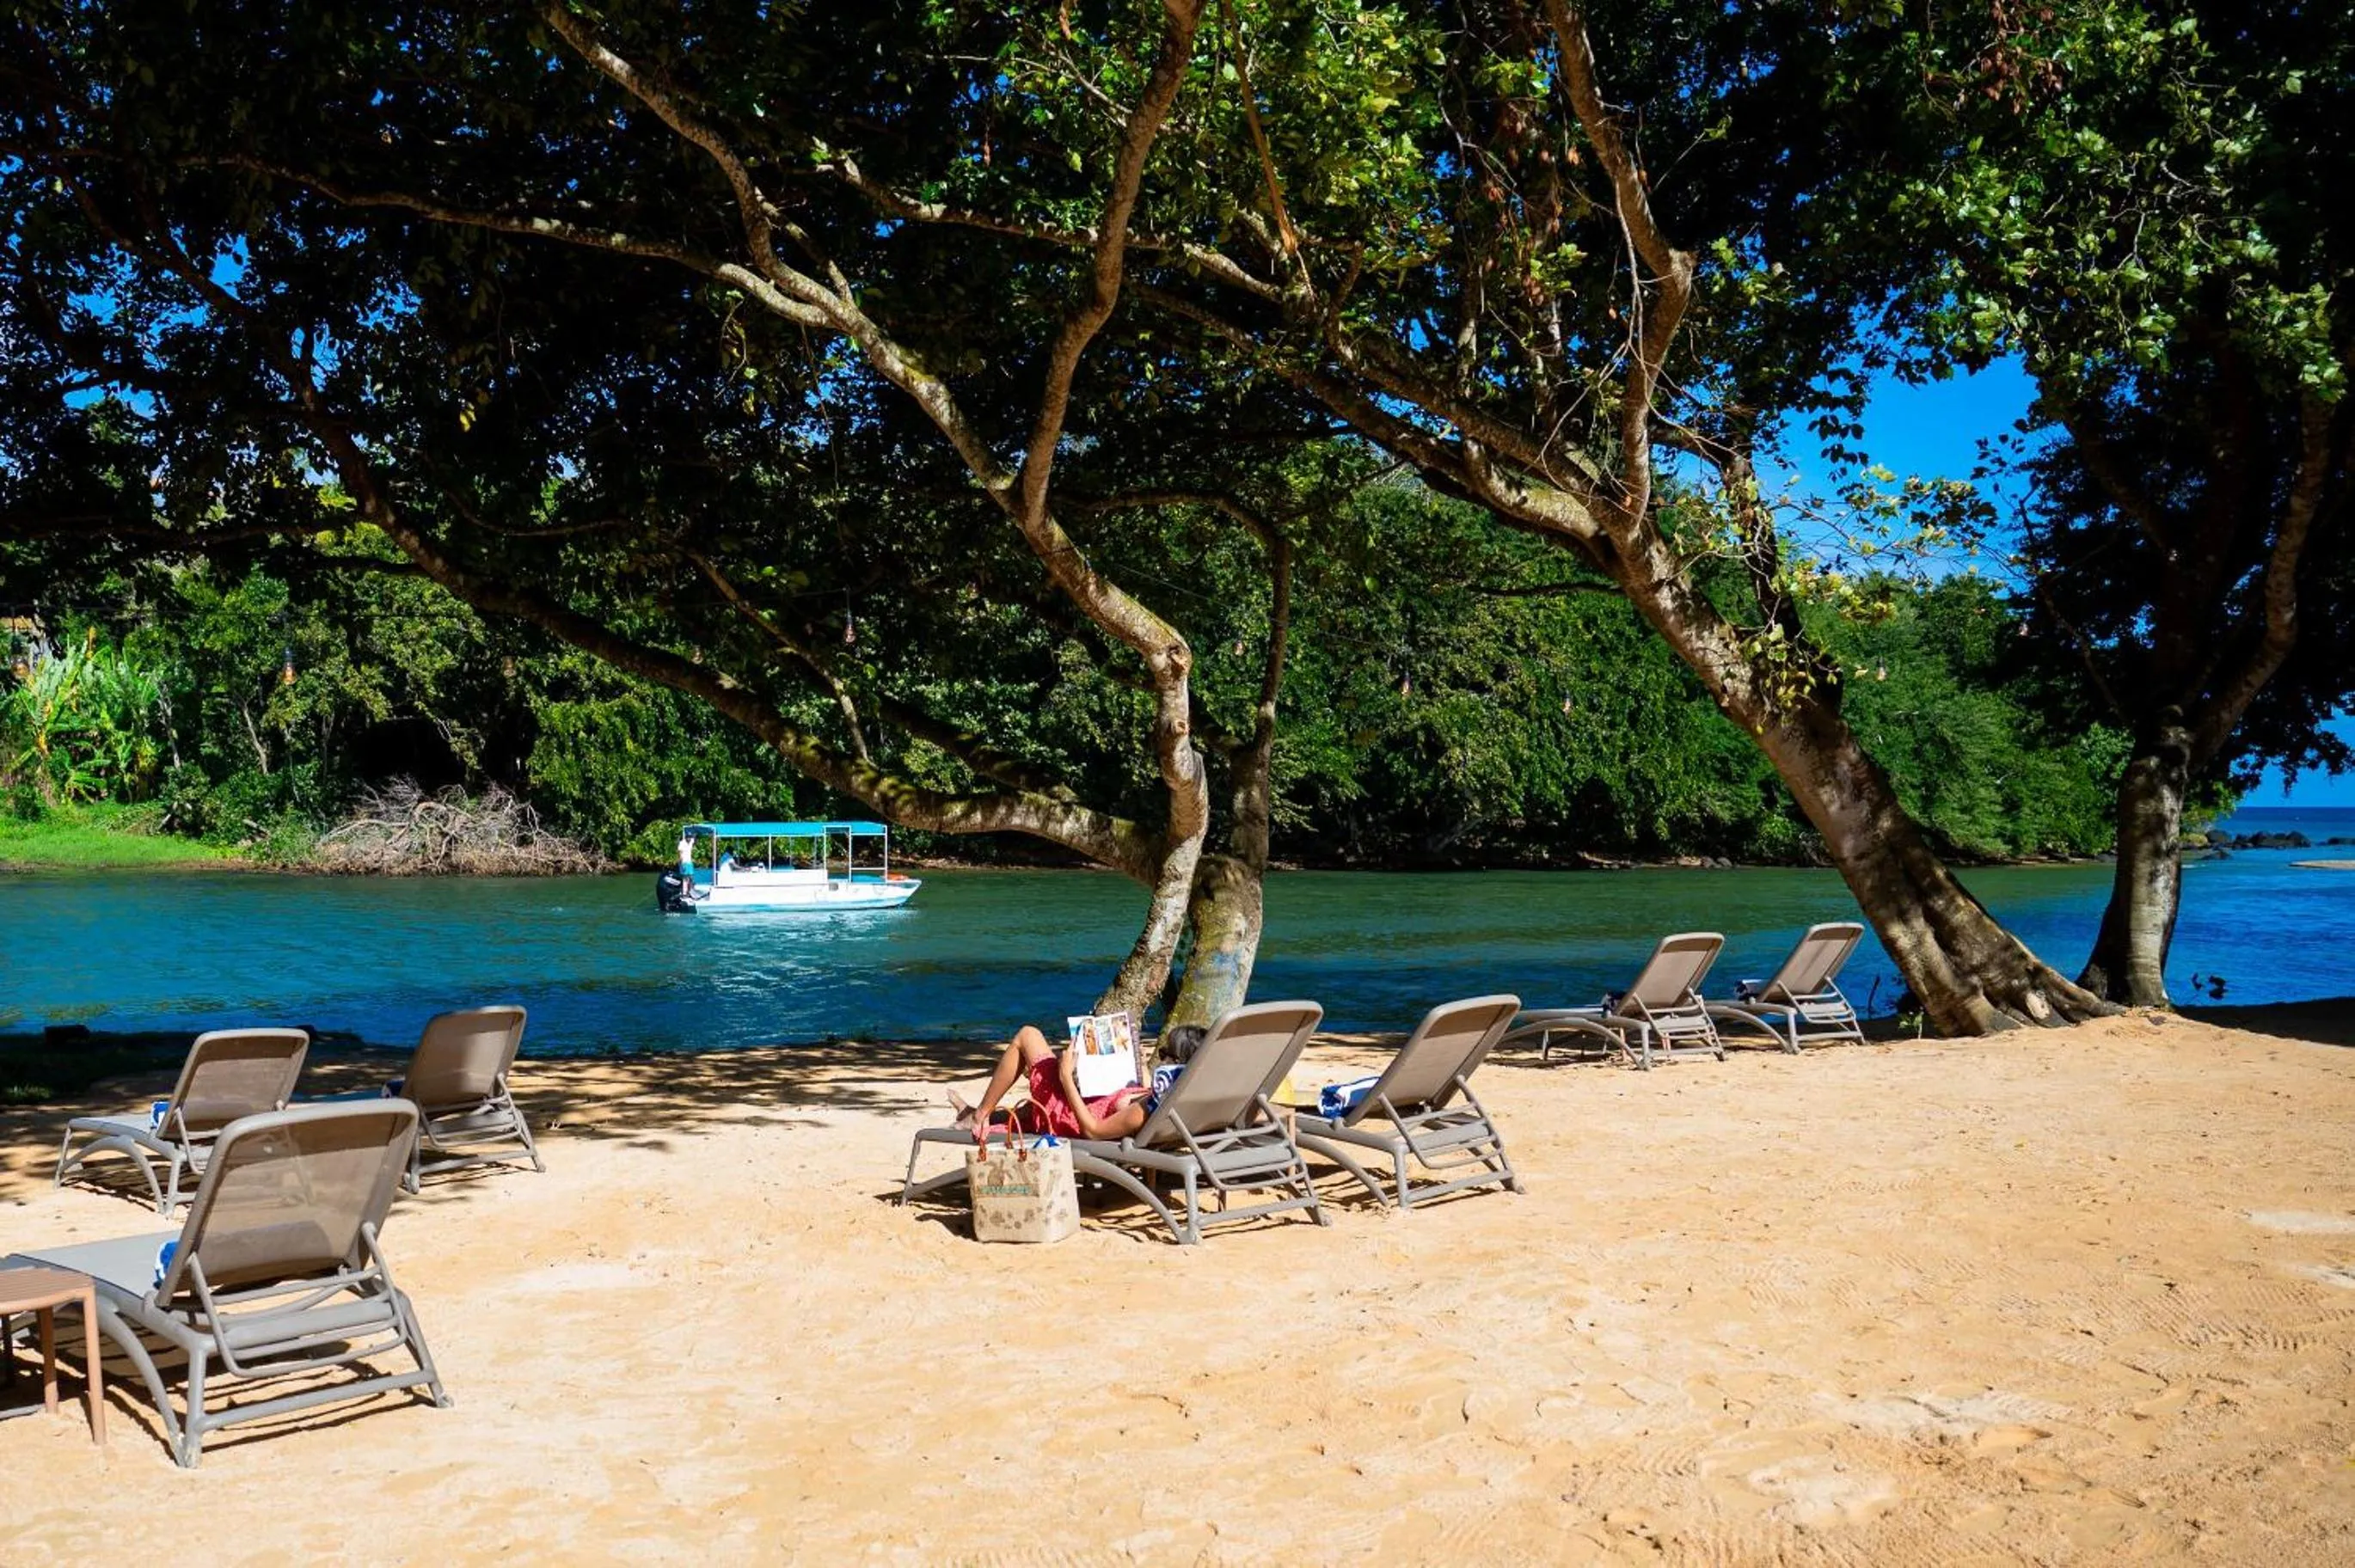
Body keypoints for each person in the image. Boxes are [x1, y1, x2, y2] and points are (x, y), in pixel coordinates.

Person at [954, 1022, 1205, 1142]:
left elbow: (1092, 1131)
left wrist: (1066, 1078)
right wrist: (1136, 1066)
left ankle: (979, 1116)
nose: (1160, 1058)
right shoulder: (1181, 1097)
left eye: (1164, 1054)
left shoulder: (1143, 1112)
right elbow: (1145, 1094)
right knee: (1032, 1107)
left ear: (1175, 1064)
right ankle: (975, 1115)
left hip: (1069, 1119)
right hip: (1091, 1100)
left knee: (1028, 1035)